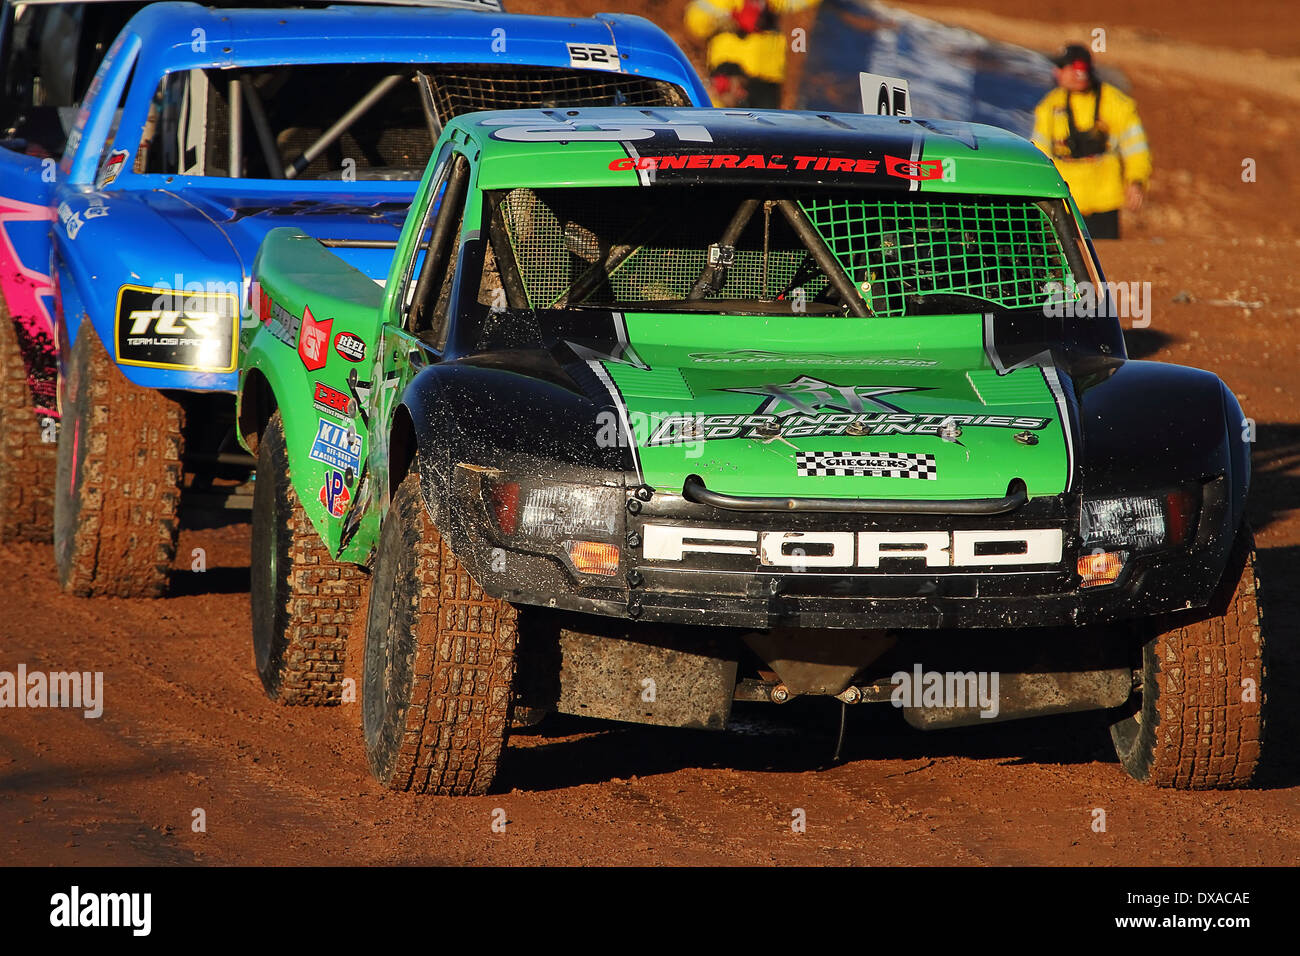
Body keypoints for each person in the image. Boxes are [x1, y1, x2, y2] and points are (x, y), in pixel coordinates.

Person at [1032, 44, 1151, 239]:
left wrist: (1136, 180)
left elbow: (1136, 148)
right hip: (1065, 202)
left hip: (1104, 200)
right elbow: (1039, 153)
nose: (1058, 73)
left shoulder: (1115, 103)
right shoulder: (1050, 106)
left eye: (1065, 68)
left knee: (1105, 258)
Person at [685, 0, 820, 109]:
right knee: (724, 125)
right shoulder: (720, 2)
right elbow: (696, 24)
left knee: (765, 131)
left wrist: (766, 7)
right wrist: (731, 16)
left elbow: (804, 6)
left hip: (767, 78)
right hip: (729, 78)